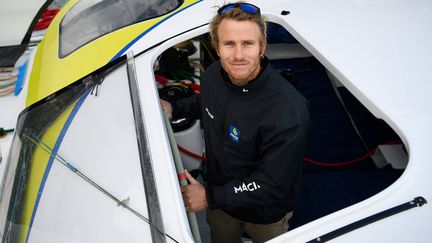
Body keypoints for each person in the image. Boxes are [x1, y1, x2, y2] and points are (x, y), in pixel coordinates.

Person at [161, 2, 310, 242]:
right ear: (217, 47)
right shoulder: (212, 77)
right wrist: (175, 106)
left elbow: (273, 183)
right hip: (221, 205)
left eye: (248, 44)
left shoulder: (288, 111)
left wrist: (209, 198)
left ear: (262, 46)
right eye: (229, 43)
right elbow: (206, 103)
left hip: (264, 215)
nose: (238, 55)